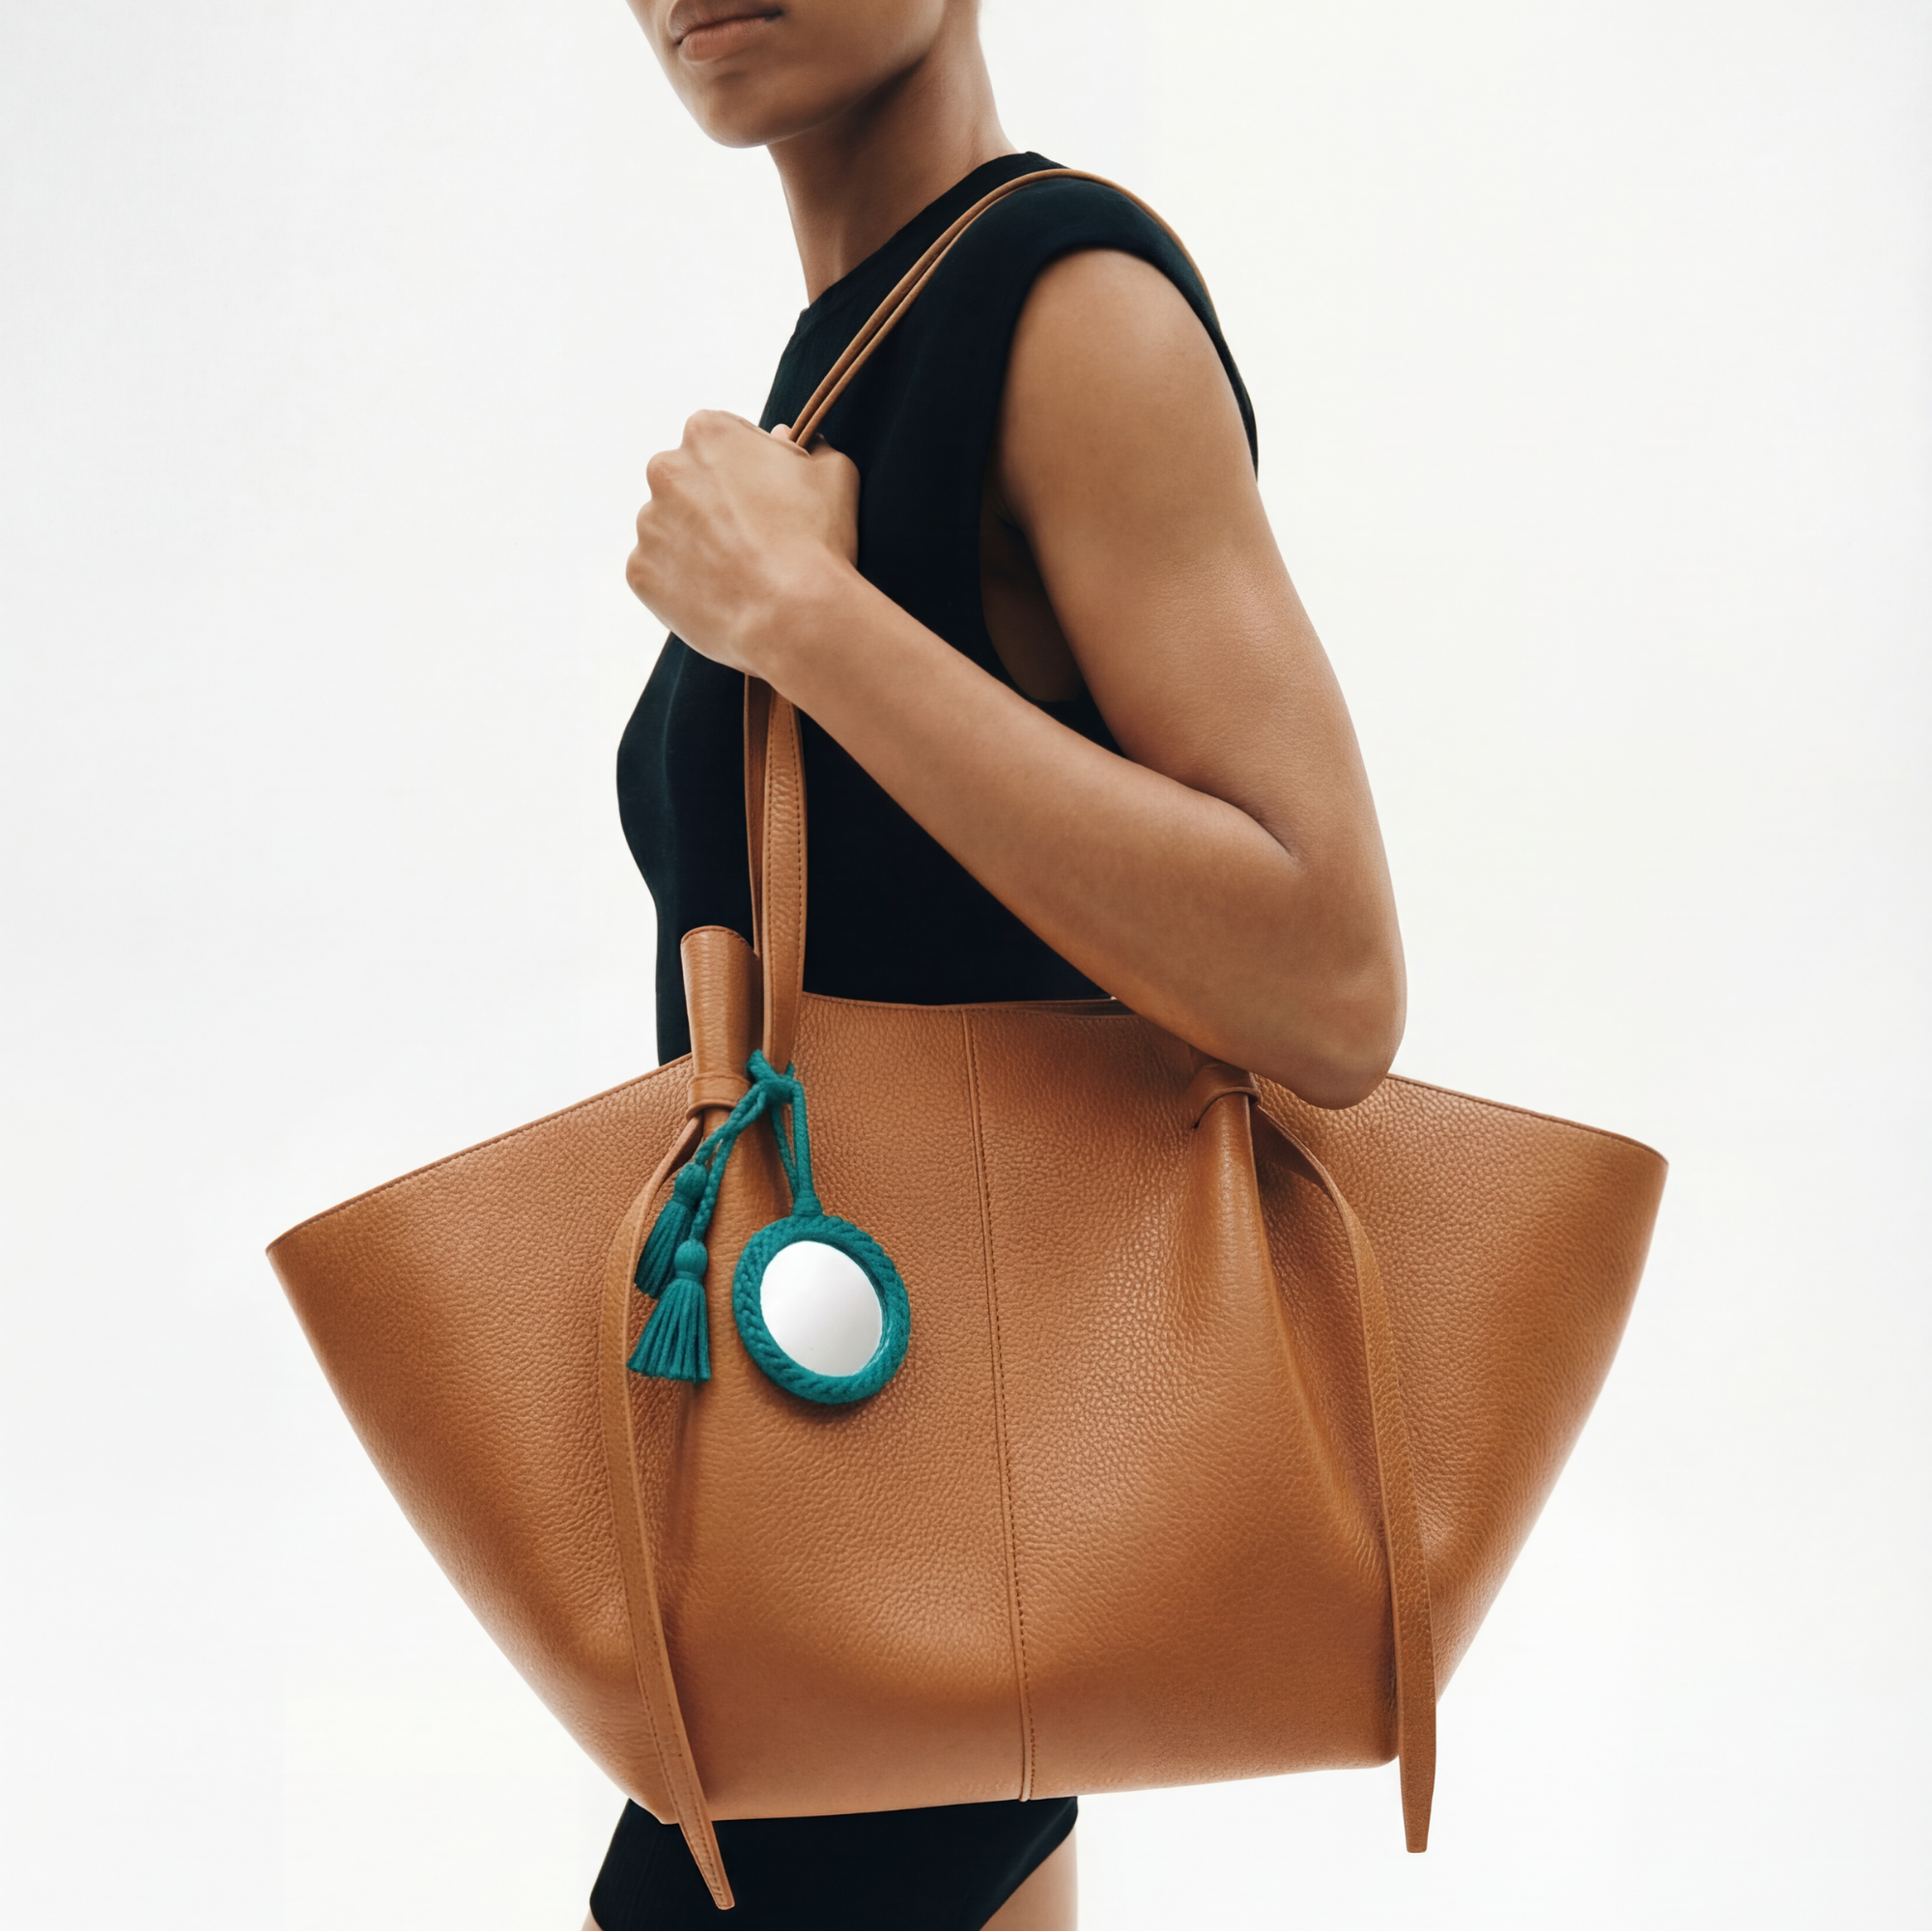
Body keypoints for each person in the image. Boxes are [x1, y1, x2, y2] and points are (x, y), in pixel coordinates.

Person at [594, 2, 1405, 1924]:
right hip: (848, 1483)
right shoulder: (855, 354)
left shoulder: (1067, 313)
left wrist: (807, 623)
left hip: (909, 1498)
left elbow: (1329, 973)